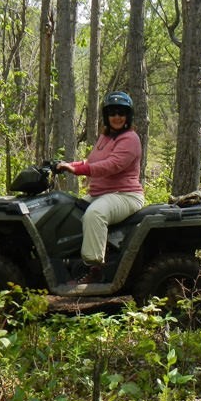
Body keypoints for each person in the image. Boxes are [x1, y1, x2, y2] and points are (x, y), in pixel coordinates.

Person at [58, 91, 144, 284]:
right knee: (67, 211)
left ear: (128, 116)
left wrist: (77, 171)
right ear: (107, 116)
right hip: (101, 193)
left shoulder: (130, 139)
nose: (117, 117)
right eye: (112, 113)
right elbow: (91, 160)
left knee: (94, 214)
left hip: (125, 195)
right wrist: (68, 164)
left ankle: (94, 269)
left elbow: (112, 165)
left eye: (121, 113)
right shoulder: (106, 137)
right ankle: (65, 261)